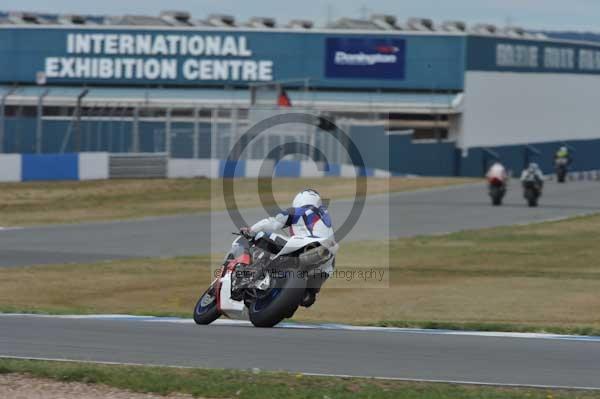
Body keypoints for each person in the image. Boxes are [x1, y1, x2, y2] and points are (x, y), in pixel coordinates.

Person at [242, 189, 336, 308]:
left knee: (261, 236)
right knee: (307, 298)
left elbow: (273, 222)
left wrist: (251, 230)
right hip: (327, 259)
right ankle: (305, 292)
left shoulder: (300, 211)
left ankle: (253, 273)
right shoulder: (325, 215)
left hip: (307, 244)